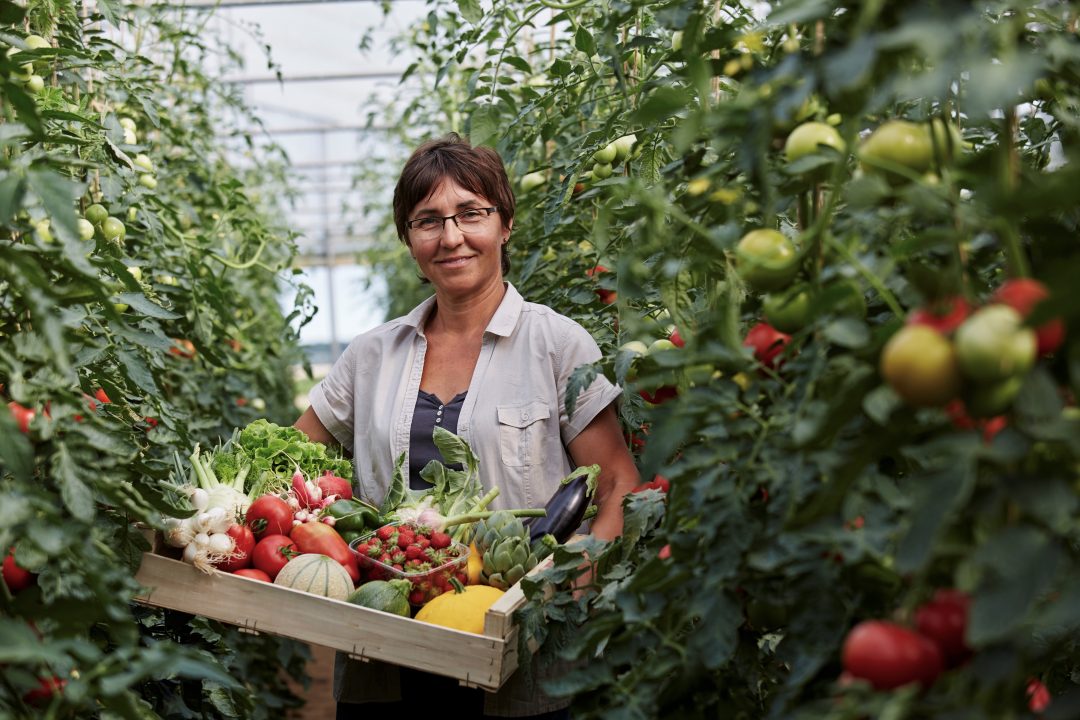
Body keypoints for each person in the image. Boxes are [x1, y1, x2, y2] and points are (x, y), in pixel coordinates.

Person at [294, 133, 640, 718]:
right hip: (384, 649)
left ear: (504, 223)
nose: (451, 237)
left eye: (471, 214)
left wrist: (559, 595)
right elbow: (294, 464)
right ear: (409, 239)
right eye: (427, 220)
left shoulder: (556, 345)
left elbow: (618, 486)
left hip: (519, 656)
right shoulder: (370, 355)